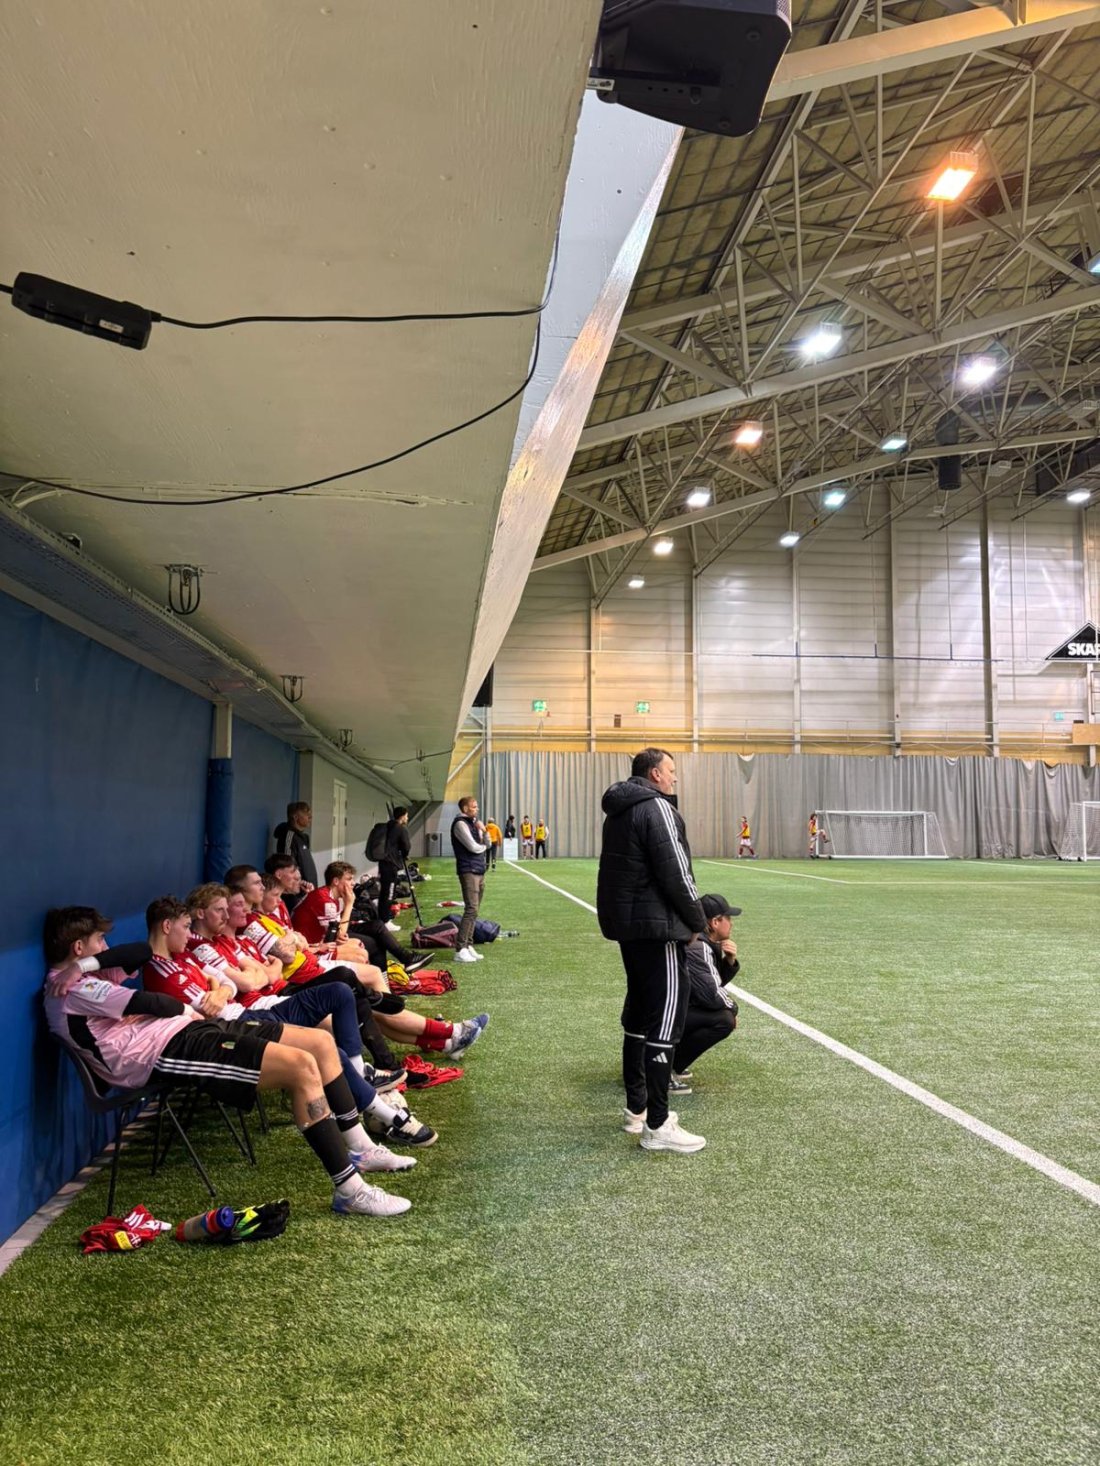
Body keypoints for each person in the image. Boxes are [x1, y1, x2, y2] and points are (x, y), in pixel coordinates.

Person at [43, 905, 415, 1216]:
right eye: (99, 941)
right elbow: (158, 1004)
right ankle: (350, 1190)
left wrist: (85, 964)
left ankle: (361, 1148)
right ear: (78, 946)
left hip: (190, 1030)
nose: (106, 948)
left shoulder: (83, 973)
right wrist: (84, 974)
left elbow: (140, 951)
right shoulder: (70, 988)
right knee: (302, 1068)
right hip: (164, 1052)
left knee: (319, 1042)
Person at [143, 894, 434, 1153]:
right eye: (185, 926)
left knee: (341, 992)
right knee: (327, 1044)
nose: (188, 933)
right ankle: (382, 1120)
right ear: (167, 926)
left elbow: (229, 985)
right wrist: (227, 987)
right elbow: (223, 999)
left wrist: (221, 989)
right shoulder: (164, 968)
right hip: (240, 1024)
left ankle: (367, 1084)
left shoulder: (183, 957)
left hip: (259, 1007)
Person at [596, 747, 707, 1154]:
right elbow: (677, 871)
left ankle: (637, 1110)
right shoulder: (657, 808)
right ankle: (658, 1124)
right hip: (659, 929)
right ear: (656, 774)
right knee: (666, 1018)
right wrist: (696, 922)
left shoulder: (618, 811)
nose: (675, 777)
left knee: (639, 1015)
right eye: (671, 770)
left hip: (630, 929)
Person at [672, 894, 740, 1091]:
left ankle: (671, 1063)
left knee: (720, 1015)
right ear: (715, 922)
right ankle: (665, 1068)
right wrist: (733, 1009)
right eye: (728, 918)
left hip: (666, 1010)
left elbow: (708, 983)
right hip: (662, 1015)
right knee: (724, 1020)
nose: (731, 923)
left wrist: (729, 962)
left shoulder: (703, 942)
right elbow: (711, 995)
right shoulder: (698, 946)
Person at [451, 796, 490, 964]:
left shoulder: (474, 823)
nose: (477, 809)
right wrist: (483, 847)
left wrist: (485, 831)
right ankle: (460, 949)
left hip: (479, 869)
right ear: (465, 808)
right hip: (468, 870)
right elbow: (473, 847)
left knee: (475, 910)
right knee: (471, 909)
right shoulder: (460, 824)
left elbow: (488, 844)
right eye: (474, 807)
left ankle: (468, 944)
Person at [273, 801, 318, 894]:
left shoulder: (303, 837)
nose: (310, 817)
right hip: (297, 893)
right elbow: (287, 866)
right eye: (306, 813)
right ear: (295, 817)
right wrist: (295, 889)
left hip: (308, 890)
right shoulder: (288, 836)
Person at [377, 807, 411, 926]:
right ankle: (386, 921)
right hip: (391, 864)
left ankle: (382, 918)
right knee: (389, 893)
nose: (407, 818)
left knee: (384, 892)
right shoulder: (401, 828)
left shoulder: (387, 826)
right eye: (406, 816)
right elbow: (406, 846)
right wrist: (404, 855)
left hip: (383, 863)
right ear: (402, 816)